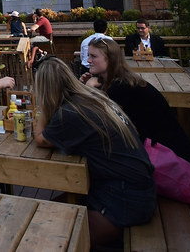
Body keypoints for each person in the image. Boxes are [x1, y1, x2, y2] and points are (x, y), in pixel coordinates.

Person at [32, 57, 156, 246]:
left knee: (46, 231)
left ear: (46, 89)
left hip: (125, 199)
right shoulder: (92, 98)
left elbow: (40, 138)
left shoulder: (71, 113)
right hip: (137, 189)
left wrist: (42, 106)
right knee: (48, 210)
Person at [81, 36, 190, 170]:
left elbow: (103, 123)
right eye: (88, 56)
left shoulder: (121, 85)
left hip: (174, 163)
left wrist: (88, 90)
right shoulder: (118, 81)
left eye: (93, 56)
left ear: (110, 59)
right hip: (164, 154)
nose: (88, 60)